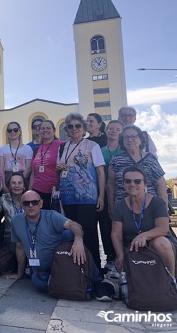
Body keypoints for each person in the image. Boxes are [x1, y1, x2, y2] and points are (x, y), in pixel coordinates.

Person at [4, 190, 115, 301]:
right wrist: (19, 273)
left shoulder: (51, 216)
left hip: (59, 260)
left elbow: (74, 225)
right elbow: (20, 247)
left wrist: (78, 241)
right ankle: (79, 285)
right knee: (38, 283)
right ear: (22, 205)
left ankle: (98, 281)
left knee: (70, 234)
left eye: (34, 202)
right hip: (41, 269)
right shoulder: (16, 221)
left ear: (41, 204)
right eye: (26, 203)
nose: (31, 205)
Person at [56, 112, 105, 270]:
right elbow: (60, 169)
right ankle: (76, 270)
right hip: (67, 197)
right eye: (70, 126)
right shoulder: (63, 146)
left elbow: (100, 172)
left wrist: (101, 196)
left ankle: (95, 271)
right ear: (67, 130)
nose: (74, 129)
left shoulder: (92, 146)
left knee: (88, 234)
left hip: (87, 197)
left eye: (78, 126)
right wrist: (59, 168)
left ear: (84, 128)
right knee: (71, 234)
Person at [111, 166, 175, 277]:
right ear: (123, 183)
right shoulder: (119, 205)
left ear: (145, 184)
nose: (132, 184)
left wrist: (144, 235)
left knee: (160, 242)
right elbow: (116, 233)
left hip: (157, 244)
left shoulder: (157, 202)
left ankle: (171, 280)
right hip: (132, 246)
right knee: (120, 263)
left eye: (137, 181)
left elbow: (163, 229)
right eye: (128, 181)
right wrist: (120, 255)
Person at [108, 125, 168, 214]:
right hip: (124, 207)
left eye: (133, 136)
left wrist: (163, 209)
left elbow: (161, 184)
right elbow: (111, 184)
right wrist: (111, 207)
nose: (129, 140)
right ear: (122, 141)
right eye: (126, 137)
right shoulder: (116, 160)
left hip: (150, 207)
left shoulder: (150, 158)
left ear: (140, 139)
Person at [100, 120, 124, 277]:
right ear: (106, 130)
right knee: (105, 224)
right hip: (103, 191)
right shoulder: (100, 150)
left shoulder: (124, 150)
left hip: (121, 193)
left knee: (120, 225)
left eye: (117, 129)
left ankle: (121, 257)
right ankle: (109, 257)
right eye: (111, 128)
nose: (113, 131)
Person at [30, 120, 65, 209]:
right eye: (42, 128)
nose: (45, 130)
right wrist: (30, 191)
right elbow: (33, 173)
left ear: (54, 131)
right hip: (37, 191)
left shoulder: (62, 145)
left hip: (54, 192)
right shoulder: (37, 149)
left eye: (48, 128)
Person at [0, 172, 27, 246]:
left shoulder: (29, 199)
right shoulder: (3, 199)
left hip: (27, 236)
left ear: (24, 186)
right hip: (9, 237)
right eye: (13, 183)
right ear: (9, 186)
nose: (17, 186)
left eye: (20, 183)